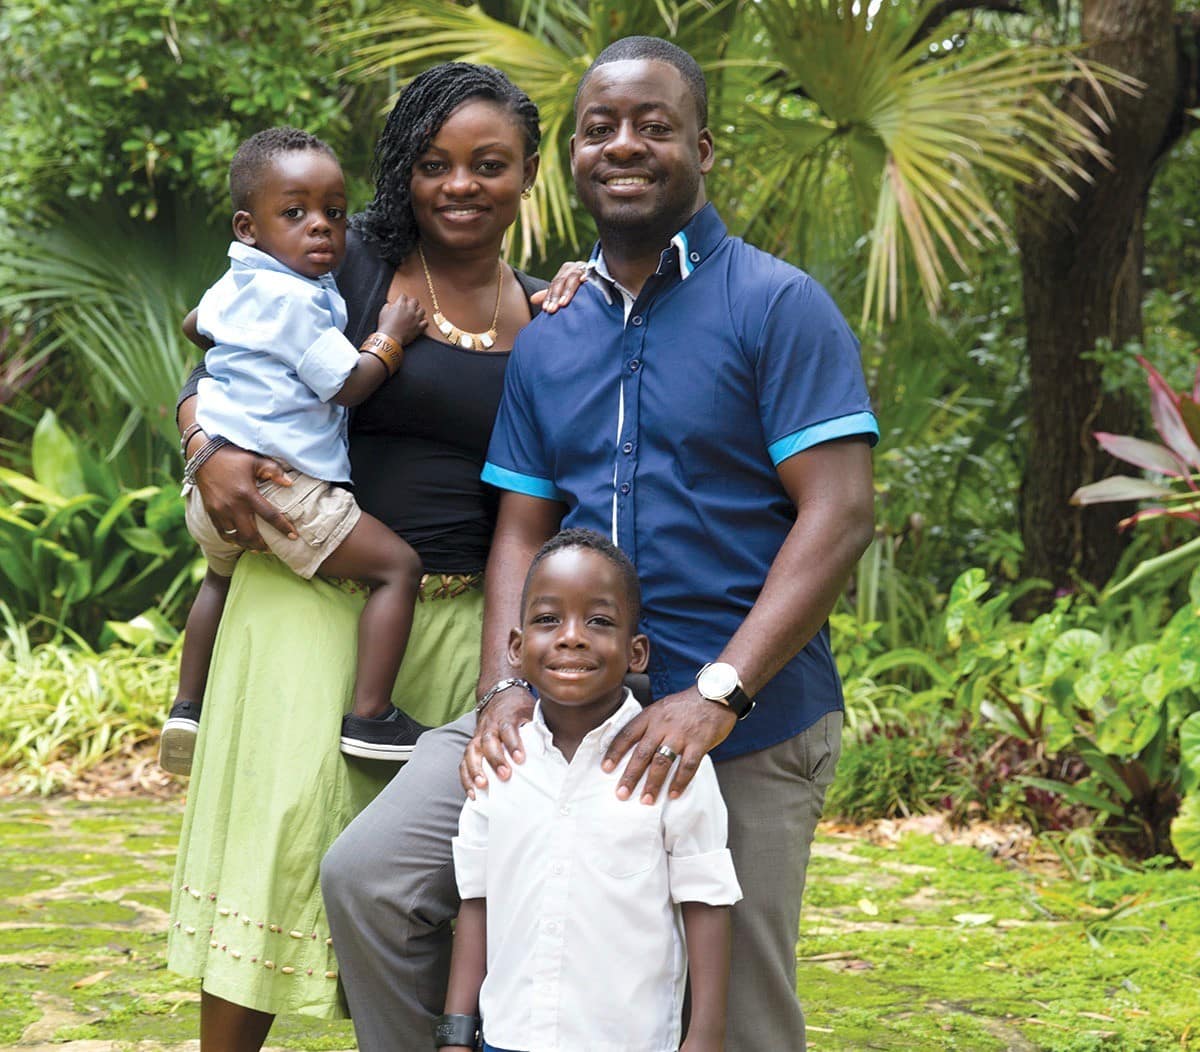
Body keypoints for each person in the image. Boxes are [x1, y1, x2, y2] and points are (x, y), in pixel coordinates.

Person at [321, 36, 877, 1052]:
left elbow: (838, 513)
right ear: (571, 156)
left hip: (744, 718)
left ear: (704, 146)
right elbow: (523, 527)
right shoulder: (553, 332)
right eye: (600, 127)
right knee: (371, 877)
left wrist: (715, 694)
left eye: (653, 125)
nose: (624, 144)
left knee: (735, 1016)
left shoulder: (777, 305)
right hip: (554, 706)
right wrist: (502, 688)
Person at [166, 63, 580, 1052]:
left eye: (488, 164)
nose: (461, 184)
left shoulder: (556, 310)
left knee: (423, 890)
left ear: (527, 174)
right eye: (435, 164)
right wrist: (204, 448)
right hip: (314, 602)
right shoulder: (346, 266)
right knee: (279, 855)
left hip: (467, 623)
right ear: (406, 171)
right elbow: (216, 364)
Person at [160, 126, 430, 778]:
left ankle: (187, 708)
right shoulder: (297, 304)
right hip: (280, 487)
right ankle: (371, 714)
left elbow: (195, 325)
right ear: (249, 226)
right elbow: (350, 382)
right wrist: (390, 338)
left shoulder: (238, 281)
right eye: (296, 213)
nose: (322, 229)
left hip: (209, 490)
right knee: (397, 568)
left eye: (335, 214)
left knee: (217, 578)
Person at [438, 528, 741, 1052]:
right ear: (515, 646)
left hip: (630, 1038)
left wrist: (706, 1035)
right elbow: (476, 900)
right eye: (547, 619)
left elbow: (706, 901)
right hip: (510, 1037)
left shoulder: (672, 766)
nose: (571, 636)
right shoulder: (499, 761)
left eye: (599, 621)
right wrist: (457, 1032)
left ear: (636, 651)